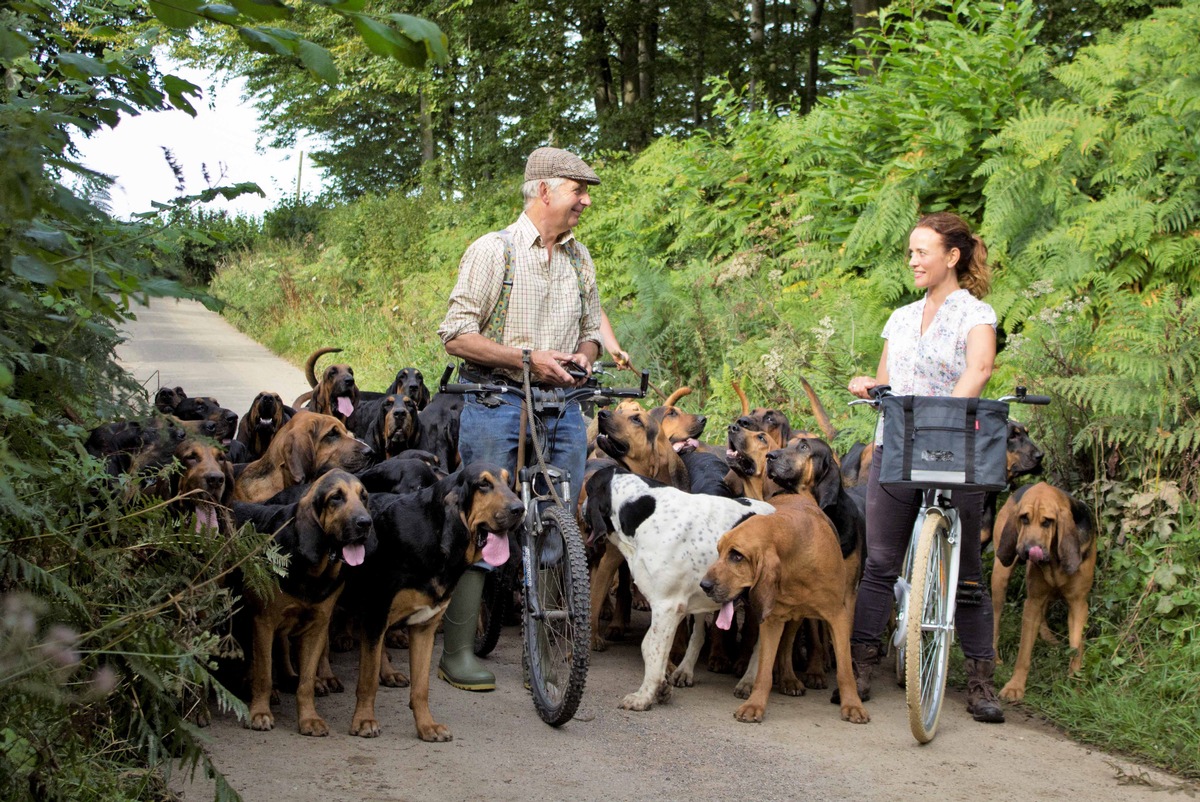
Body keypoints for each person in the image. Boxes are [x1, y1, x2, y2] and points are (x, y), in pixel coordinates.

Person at [434, 147, 605, 691]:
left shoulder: (581, 259)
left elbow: (592, 330)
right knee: (479, 517)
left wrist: (584, 356)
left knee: (559, 525)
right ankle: (457, 651)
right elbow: (456, 334)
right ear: (545, 191)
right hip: (495, 402)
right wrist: (526, 358)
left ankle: (551, 645)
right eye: (577, 189)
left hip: (562, 407)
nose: (585, 200)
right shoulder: (495, 251)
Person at [845, 211, 1005, 723]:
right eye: (910, 251)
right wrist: (866, 384)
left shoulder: (976, 315)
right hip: (895, 445)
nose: (913, 260)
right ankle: (859, 667)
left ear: (951, 257)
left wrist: (941, 422)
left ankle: (981, 682)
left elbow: (979, 369)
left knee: (971, 577)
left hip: (953, 446)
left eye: (922, 251)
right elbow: (887, 378)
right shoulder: (899, 318)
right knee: (879, 563)